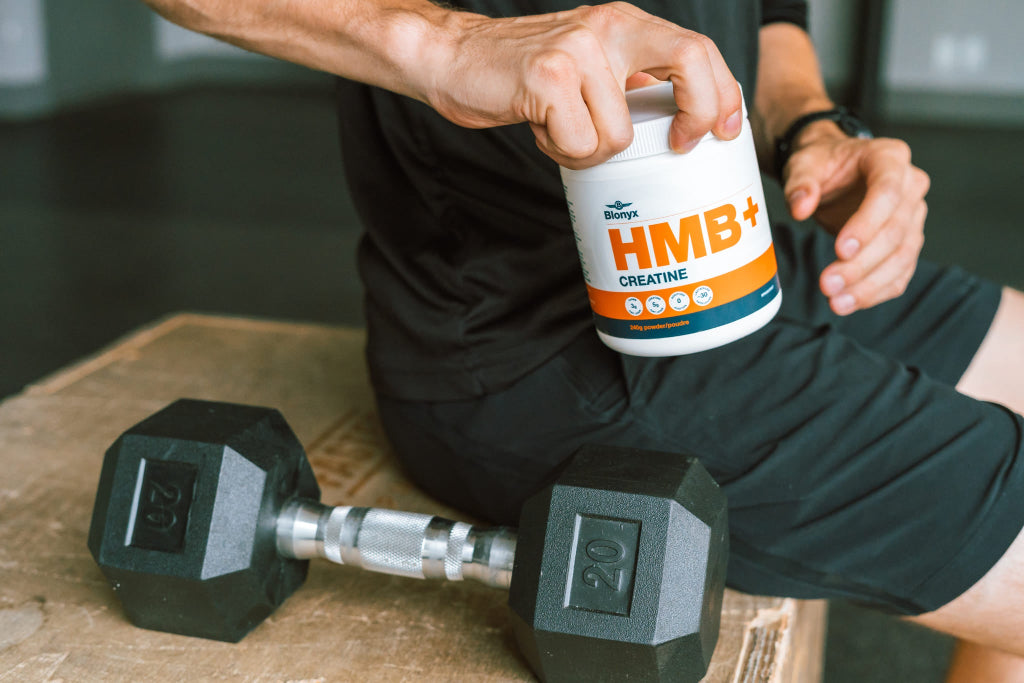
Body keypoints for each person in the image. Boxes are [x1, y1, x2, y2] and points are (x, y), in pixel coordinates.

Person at [141, 0, 1024, 678]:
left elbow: (771, 14)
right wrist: (447, 46)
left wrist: (813, 128)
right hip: (525, 342)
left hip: (735, 232)